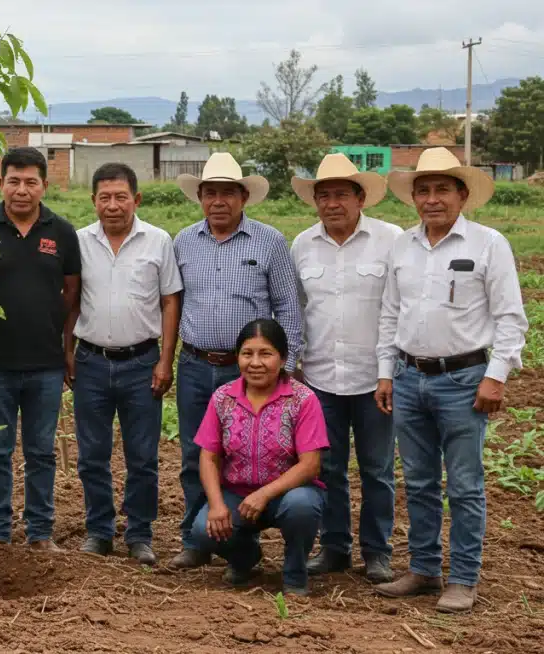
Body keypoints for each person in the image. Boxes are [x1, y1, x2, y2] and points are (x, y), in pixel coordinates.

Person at [374, 148, 529, 613]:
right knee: (419, 482)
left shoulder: (488, 244)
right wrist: (386, 373)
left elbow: (510, 318)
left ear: (463, 195)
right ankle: (423, 569)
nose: (432, 198)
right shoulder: (402, 245)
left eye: (443, 189)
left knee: (464, 484)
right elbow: (389, 314)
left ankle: (462, 577)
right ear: (413, 198)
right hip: (408, 376)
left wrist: (496, 376)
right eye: (423, 190)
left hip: (463, 379)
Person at [170, 153, 303, 569]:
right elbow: (173, 303)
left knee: (249, 454)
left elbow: (288, 306)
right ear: (200, 198)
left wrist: (288, 366)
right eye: (210, 193)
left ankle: (242, 533)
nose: (218, 201)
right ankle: (198, 537)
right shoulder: (184, 241)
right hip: (194, 365)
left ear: (244, 196)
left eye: (228, 192)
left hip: (249, 370)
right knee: (197, 454)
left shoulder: (270, 242)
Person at [0, 147, 81, 551]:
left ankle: (40, 532)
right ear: (0, 182)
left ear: (44, 185)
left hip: (45, 364)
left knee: (41, 453)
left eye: (30, 182)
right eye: (13, 181)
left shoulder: (62, 232)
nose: (21, 190)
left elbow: (72, 293)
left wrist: (67, 347)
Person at [289, 154, 401, 584]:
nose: (331, 203)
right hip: (319, 378)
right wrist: (295, 364)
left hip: (376, 378)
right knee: (327, 468)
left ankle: (377, 552)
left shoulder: (391, 241)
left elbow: (398, 308)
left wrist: (389, 371)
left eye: (340, 194)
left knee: (377, 469)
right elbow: (296, 309)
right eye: (323, 196)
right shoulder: (302, 244)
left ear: (360, 198)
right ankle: (334, 547)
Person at [66, 163, 181, 565]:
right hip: (91, 362)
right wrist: (67, 350)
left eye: (121, 197)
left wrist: (166, 360)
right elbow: (71, 299)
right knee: (92, 454)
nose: (112, 206)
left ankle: (140, 533)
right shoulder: (78, 241)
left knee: (143, 456)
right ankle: (99, 530)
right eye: (104, 198)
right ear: (93, 201)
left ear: (137, 199)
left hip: (142, 362)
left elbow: (170, 300)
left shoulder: (158, 241)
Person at [189, 319, 328, 596]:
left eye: (265, 354)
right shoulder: (223, 398)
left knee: (301, 507)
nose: (255, 363)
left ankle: (295, 573)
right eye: (247, 353)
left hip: (288, 494)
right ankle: (246, 560)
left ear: (283, 358)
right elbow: (209, 457)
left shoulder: (303, 399)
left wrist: (264, 494)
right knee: (202, 531)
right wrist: (217, 505)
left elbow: (311, 464)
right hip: (237, 494)